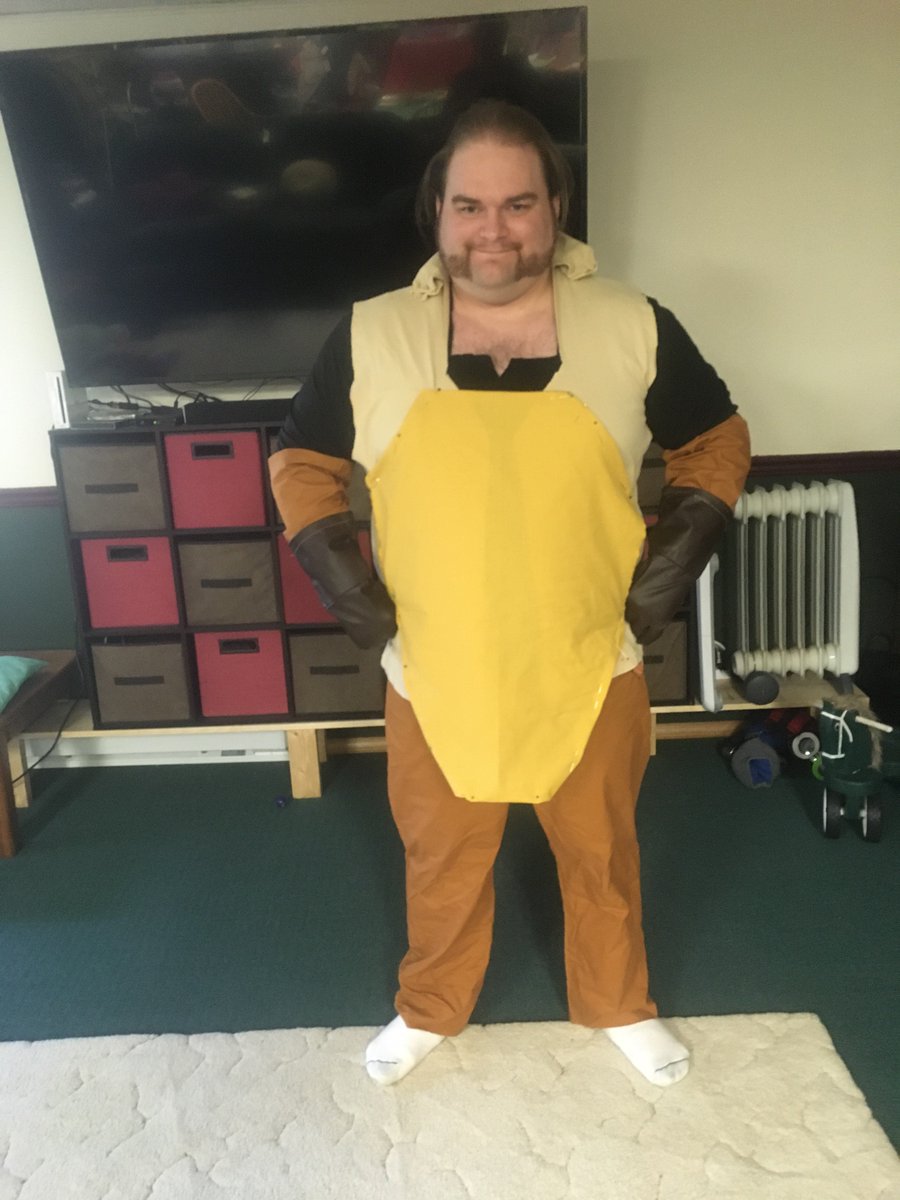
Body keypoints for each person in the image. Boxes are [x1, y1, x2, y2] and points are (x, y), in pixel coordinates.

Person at [269, 100, 750, 1089]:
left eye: (519, 203)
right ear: (436, 212)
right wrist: (360, 602)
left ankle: (618, 1002)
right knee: (440, 854)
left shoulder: (633, 324)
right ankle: (430, 1008)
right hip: (436, 667)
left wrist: (659, 584)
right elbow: (301, 463)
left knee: (602, 849)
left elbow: (716, 442)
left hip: (590, 656)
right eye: (471, 205)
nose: (494, 230)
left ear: (555, 207)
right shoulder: (371, 333)